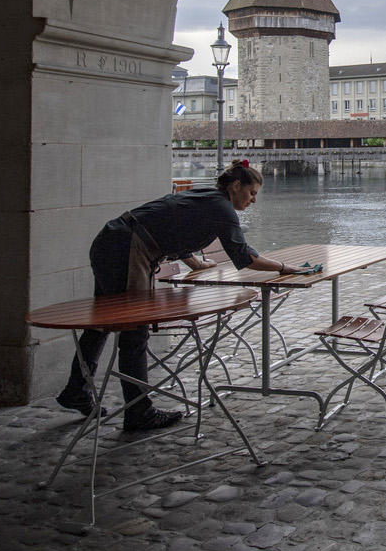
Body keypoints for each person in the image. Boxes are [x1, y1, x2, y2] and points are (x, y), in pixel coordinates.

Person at [56, 160, 303, 431]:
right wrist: (283, 268)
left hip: (114, 240)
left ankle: (76, 391)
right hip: (129, 247)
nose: (254, 200)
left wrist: (195, 264)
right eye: (252, 193)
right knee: (135, 331)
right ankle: (139, 412)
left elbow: (171, 223)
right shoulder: (221, 207)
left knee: (103, 323)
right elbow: (245, 258)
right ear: (235, 186)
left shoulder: (205, 197)